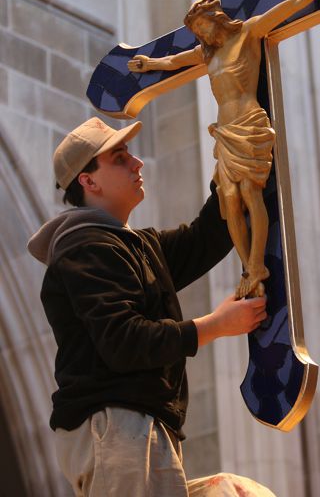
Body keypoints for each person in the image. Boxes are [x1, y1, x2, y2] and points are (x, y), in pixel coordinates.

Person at [28, 116, 275, 497]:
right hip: (116, 427)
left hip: (142, 429)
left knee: (237, 493)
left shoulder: (135, 247)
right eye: (120, 157)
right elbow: (125, 341)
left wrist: (230, 167)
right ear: (88, 181)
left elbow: (204, 238)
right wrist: (216, 325)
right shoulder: (85, 249)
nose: (137, 163)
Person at [128, 0, 320, 299]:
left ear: (215, 19)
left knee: (250, 193)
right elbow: (174, 61)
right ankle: (248, 267)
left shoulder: (248, 33)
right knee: (228, 200)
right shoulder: (207, 55)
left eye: (202, 27)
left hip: (249, 123)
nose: (201, 35)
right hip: (226, 130)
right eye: (196, 32)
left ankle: (258, 263)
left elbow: (292, 5)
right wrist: (148, 63)